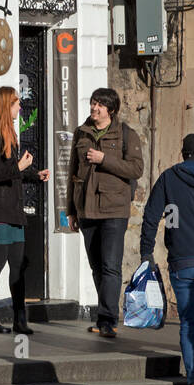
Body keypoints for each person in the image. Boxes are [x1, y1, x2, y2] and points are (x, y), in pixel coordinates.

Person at [139, 133, 194, 385]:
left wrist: (146, 253)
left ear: (184, 153)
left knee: (188, 319)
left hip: (183, 259)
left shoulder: (169, 177)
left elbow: (151, 216)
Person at [67, 87, 143, 338]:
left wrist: (104, 159)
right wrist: (71, 210)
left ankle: (108, 319)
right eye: (92, 103)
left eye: (99, 105)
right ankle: (104, 316)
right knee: (97, 267)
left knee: (111, 267)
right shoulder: (81, 132)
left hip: (113, 210)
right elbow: (72, 174)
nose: (94, 108)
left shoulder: (125, 134)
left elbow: (136, 169)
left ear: (111, 110)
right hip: (87, 210)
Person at [0, 86, 50, 334]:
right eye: (17, 103)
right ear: (6, 106)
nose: (20, 107)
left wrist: (33, 174)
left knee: (18, 265)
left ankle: (20, 319)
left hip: (14, 210)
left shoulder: (9, 133)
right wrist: (18, 167)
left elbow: (12, 172)